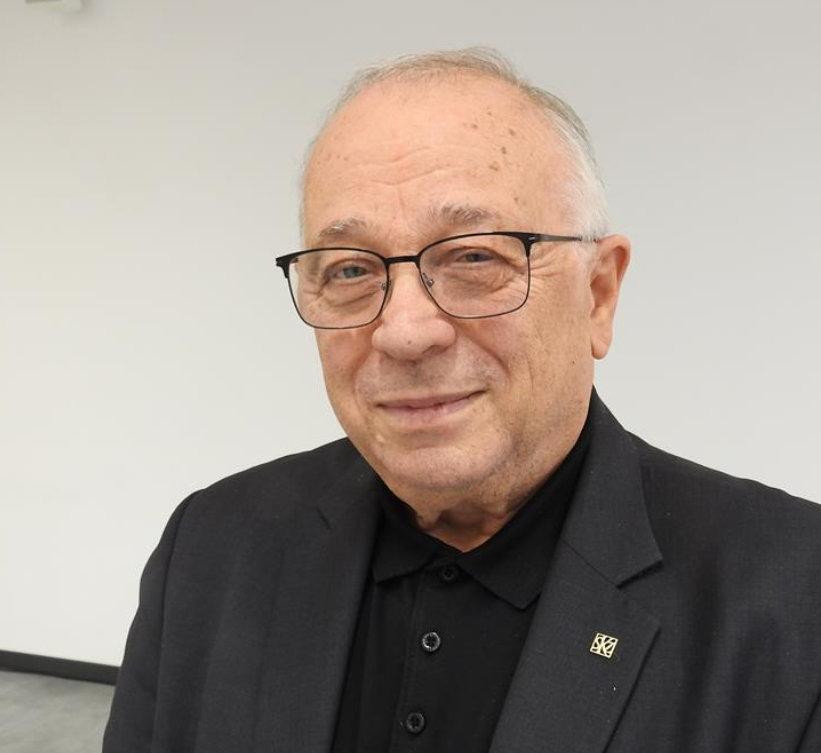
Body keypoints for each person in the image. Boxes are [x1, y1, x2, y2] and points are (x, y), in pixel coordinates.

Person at [103, 49, 821, 753]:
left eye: (475, 256)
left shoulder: (795, 599)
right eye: (350, 270)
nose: (404, 332)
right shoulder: (213, 547)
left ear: (598, 294)